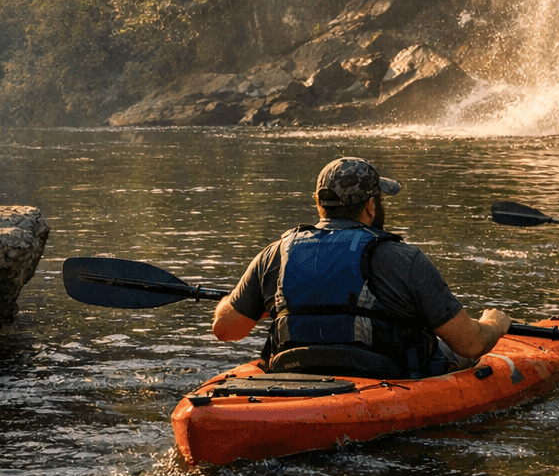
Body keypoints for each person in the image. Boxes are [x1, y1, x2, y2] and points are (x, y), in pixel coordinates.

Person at [210, 157, 512, 378]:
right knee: (452, 350)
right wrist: (494, 324)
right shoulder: (405, 259)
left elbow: (225, 329)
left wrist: (249, 303)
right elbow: (470, 343)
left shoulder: (275, 255)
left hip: (294, 373)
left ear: (319, 204)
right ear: (370, 206)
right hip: (385, 380)